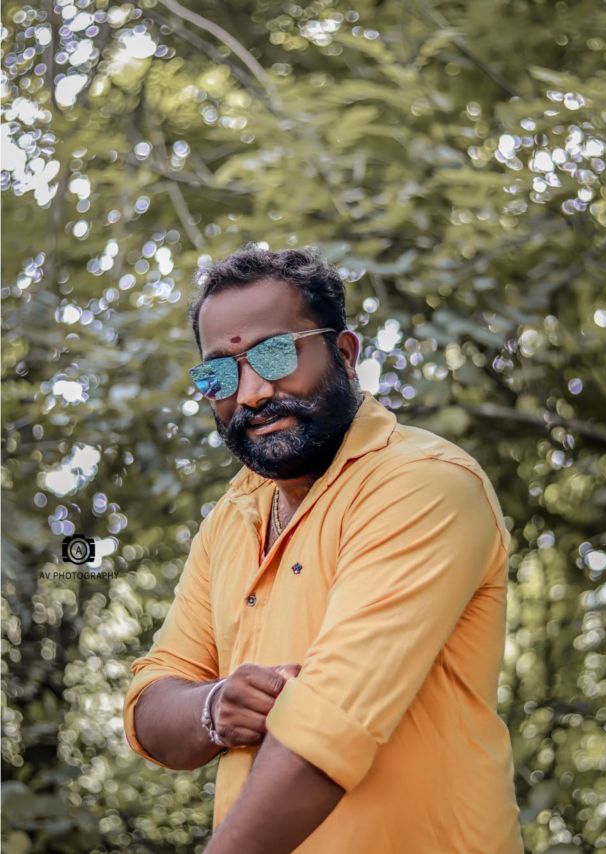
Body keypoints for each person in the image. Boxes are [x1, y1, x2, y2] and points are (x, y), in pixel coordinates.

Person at [123, 246, 524, 854]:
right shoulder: (232, 518)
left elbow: (323, 732)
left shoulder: (422, 484)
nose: (251, 393)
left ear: (345, 354)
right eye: (219, 375)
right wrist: (215, 706)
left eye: (275, 354)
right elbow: (150, 703)